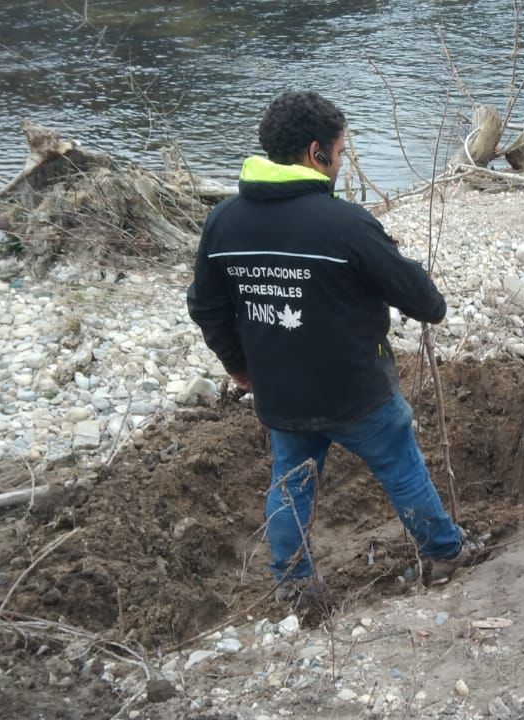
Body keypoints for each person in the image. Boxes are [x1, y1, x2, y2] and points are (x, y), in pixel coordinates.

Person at [186, 90, 483, 608]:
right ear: (318, 153)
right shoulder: (345, 224)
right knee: (400, 466)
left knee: (289, 484)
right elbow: (421, 299)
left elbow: (206, 307)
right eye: (341, 153)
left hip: (280, 394)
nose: (342, 164)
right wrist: (430, 300)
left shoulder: (224, 223)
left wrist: (240, 367)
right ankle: (444, 552)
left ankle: (294, 585)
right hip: (357, 392)